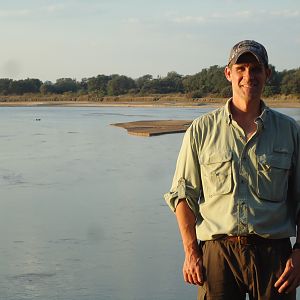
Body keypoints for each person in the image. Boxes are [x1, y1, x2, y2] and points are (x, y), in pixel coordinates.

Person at [164, 40, 300, 300]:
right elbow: (183, 196)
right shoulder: (201, 130)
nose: (249, 76)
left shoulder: (289, 131)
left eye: (256, 69)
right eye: (242, 68)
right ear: (229, 73)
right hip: (218, 255)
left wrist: (299, 253)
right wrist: (191, 252)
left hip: (275, 258)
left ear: (267, 74)